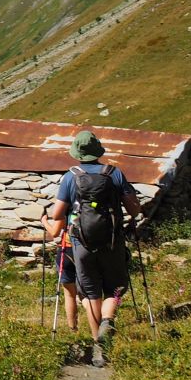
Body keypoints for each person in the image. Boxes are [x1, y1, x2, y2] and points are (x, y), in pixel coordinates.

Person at [47, 130, 142, 366]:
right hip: (112, 243)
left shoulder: (71, 177)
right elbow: (134, 210)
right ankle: (108, 320)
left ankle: (98, 345)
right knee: (115, 288)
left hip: (81, 244)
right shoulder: (114, 173)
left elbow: (57, 214)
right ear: (98, 151)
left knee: (90, 294)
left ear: (77, 153)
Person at [40, 202, 80, 337]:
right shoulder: (90, 206)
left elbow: (54, 233)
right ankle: (100, 324)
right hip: (87, 251)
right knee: (89, 293)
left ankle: (73, 329)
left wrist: (44, 221)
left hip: (67, 250)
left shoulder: (67, 207)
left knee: (69, 294)